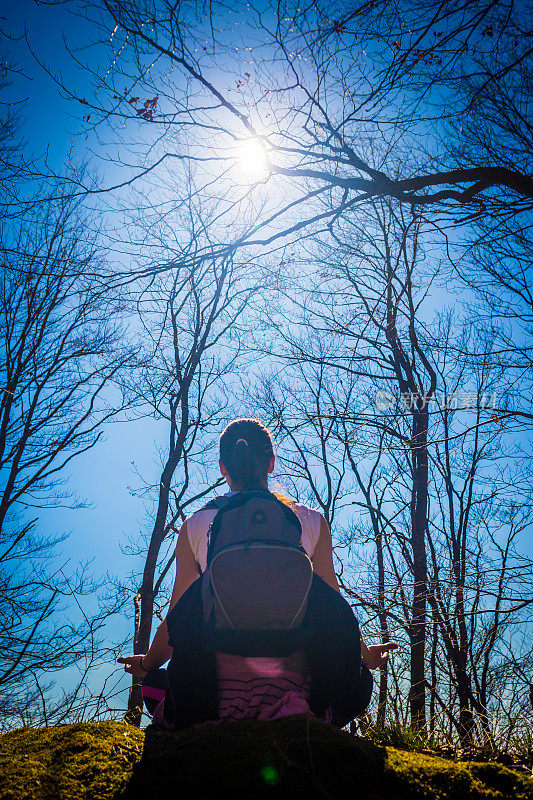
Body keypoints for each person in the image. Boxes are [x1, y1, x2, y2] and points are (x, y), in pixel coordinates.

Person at [118, 418, 397, 726]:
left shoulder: (195, 525)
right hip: (296, 693)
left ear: (223, 467)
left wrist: (147, 664)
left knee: (154, 685)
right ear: (271, 462)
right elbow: (333, 606)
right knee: (360, 683)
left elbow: (179, 616)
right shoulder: (311, 520)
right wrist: (366, 656)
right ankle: (313, 716)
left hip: (212, 698)